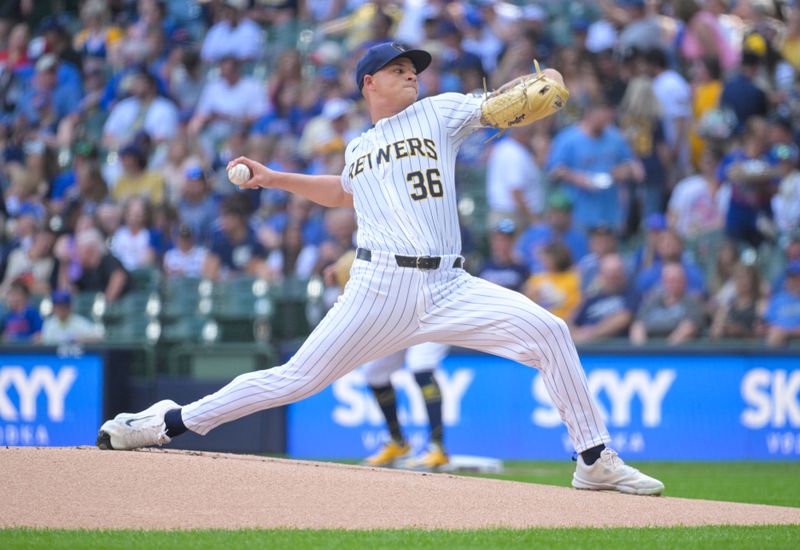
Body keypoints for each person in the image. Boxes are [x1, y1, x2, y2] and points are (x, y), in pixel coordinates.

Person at [97, 42, 664, 495]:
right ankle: (166, 423)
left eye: (414, 67)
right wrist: (275, 178)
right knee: (294, 379)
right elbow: (344, 194)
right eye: (397, 69)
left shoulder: (439, 112)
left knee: (550, 331)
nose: (411, 74)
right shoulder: (357, 148)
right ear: (369, 83)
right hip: (379, 286)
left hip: (448, 283)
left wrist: (524, 94)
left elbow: (497, 106)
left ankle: (594, 459)